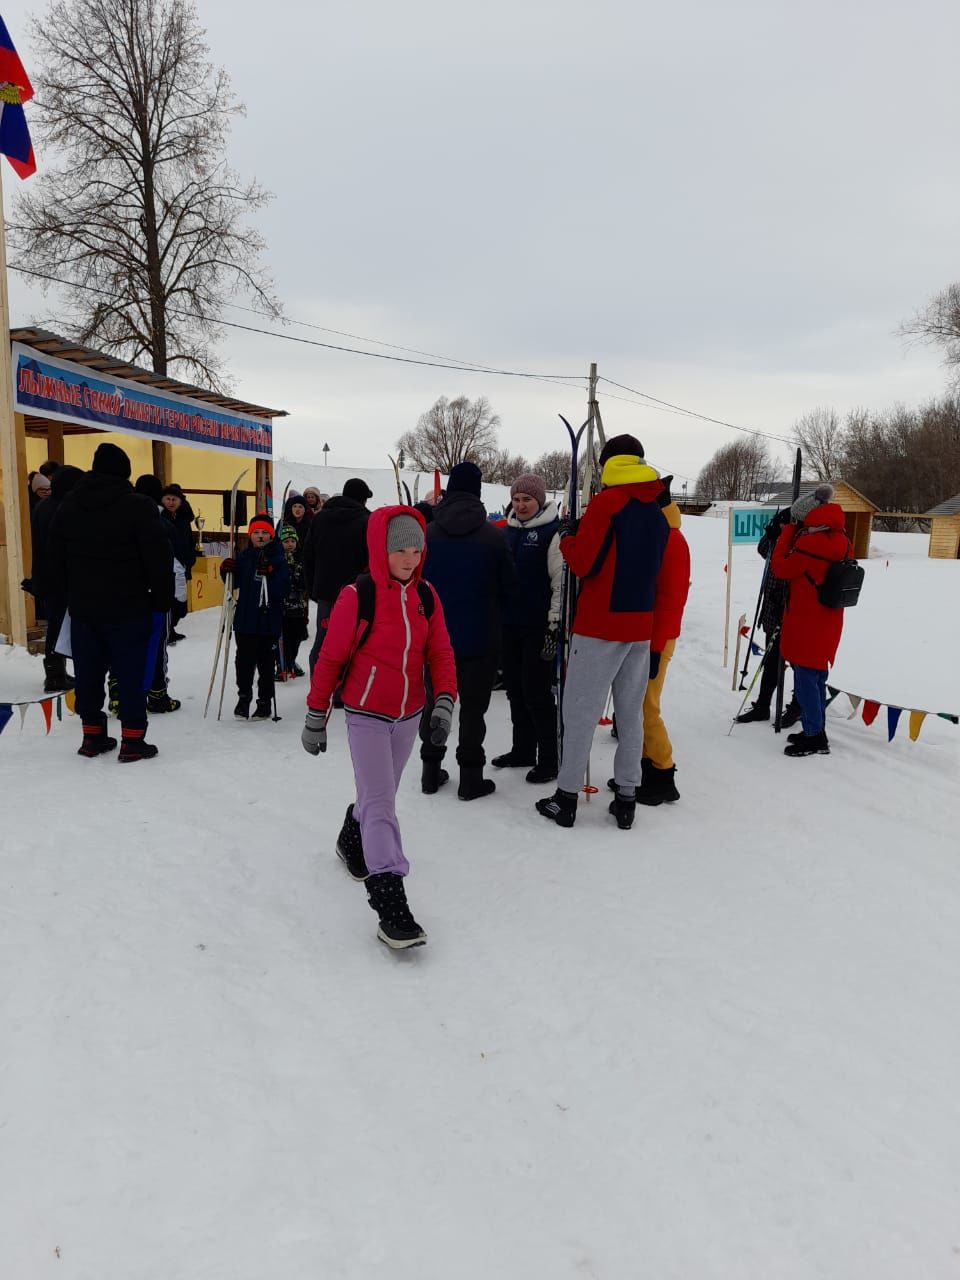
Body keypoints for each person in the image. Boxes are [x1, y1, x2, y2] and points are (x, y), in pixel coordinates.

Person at [301, 507, 457, 949]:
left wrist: (443, 702)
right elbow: (330, 658)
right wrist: (316, 715)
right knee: (382, 803)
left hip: (408, 713)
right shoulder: (358, 595)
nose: (409, 559)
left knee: (377, 796)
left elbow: (441, 652)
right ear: (380, 550)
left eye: (415, 549)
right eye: (399, 550)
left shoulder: (427, 595)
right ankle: (390, 901)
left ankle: (352, 839)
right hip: (365, 712)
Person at [535, 434, 683, 830]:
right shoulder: (655, 508)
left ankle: (565, 798)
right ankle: (628, 798)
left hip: (599, 625)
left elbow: (584, 563)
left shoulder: (608, 503)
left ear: (606, 464)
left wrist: (568, 539)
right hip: (639, 625)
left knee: (580, 711)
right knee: (630, 714)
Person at [47, 442, 173, 761]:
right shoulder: (139, 506)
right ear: (125, 472)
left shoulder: (70, 505)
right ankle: (132, 739)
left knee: (89, 670)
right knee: (130, 671)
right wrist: (161, 600)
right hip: (129, 605)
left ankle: (92, 736)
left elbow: (55, 558)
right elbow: (158, 558)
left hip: (84, 607)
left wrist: (71, 593)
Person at [419, 460, 516, 799]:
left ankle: (430, 771)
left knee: (435, 701)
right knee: (474, 708)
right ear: (477, 491)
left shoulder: (427, 534)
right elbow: (509, 588)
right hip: (481, 635)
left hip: (435, 638)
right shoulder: (493, 537)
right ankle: (470, 778)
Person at [607, 479, 691, 804]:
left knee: (645, 707)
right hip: (649, 635)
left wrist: (655, 650)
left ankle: (663, 771)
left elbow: (670, 600)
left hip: (658, 637)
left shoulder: (669, 540)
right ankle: (643, 766)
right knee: (637, 703)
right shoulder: (661, 533)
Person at [492, 472, 563, 784]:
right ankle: (522, 749)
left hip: (538, 626)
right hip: (509, 624)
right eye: (517, 499)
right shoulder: (505, 531)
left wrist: (554, 623)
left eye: (527, 500)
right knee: (515, 691)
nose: (520, 505)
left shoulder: (552, 532)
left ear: (540, 501)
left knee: (537, 694)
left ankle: (549, 759)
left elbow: (559, 582)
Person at [770, 485, 851, 757]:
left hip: (806, 621)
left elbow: (780, 567)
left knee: (805, 680)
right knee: (817, 678)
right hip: (829, 619)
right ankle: (816, 728)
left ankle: (815, 736)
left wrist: (788, 532)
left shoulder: (809, 543)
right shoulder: (842, 538)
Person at [735, 504, 801, 727]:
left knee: (798, 662)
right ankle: (763, 705)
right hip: (771, 612)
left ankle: (797, 706)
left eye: (783, 524)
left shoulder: (797, 543)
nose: (780, 527)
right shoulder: (777, 540)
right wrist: (770, 532)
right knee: (771, 661)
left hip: (791, 613)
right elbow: (763, 551)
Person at [219, 513, 289, 720]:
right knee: (243, 661)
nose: (260, 536)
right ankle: (244, 696)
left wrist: (271, 573)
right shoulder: (245, 556)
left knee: (266, 663)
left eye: (264, 533)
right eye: (256, 533)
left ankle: (264, 701)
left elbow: (282, 589)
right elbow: (234, 585)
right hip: (245, 619)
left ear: (271, 535)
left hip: (267, 620)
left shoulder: (278, 558)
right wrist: (227, 571)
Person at [302, 477, 372, 672]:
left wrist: (313, 589)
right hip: (358, 592)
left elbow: (308, 555)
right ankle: (346, 690)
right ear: (363, 499)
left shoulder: (320, 519)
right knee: (355, 641)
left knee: (324, 640)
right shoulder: (368, 520)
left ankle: (319, 688)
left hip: (326, 591)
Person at [29, 464, 83, 692]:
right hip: (60, 578)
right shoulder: (63, 508)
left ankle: (55, 670)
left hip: (45, 575)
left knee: (55, 624)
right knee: (61, 625)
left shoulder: (43, 506)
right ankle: (55, 673)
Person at [134, 475, 182, 713]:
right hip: (157, 596)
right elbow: (176, 564)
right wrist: (179, 598)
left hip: (129, 595)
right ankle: (157, 694)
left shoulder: (122, 519)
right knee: (155, 645)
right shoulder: (161, 524)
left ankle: (125, 694)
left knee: (130, 645)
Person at [160, 484, 196, 642]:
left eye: (174, 499)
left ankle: (171, 627)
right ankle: (167, 629)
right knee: (171, 598)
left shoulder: (183, 518)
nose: (171, 502)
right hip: (168, 563)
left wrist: (190, 557)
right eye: (167, 499)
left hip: (183, 562)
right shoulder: (160, 518)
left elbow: (189, 539)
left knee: (181, 600)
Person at [276, 523, 309, 678]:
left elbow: (307, 579)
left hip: (298, 605)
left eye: (292, 541)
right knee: (282, 636)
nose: (290, 544)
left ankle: (291, 660)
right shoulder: (278, 559)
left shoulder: (302, 558)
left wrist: (301, 579)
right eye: (286, 541)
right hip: (282, 606)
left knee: (297, 636)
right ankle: (281, 664)